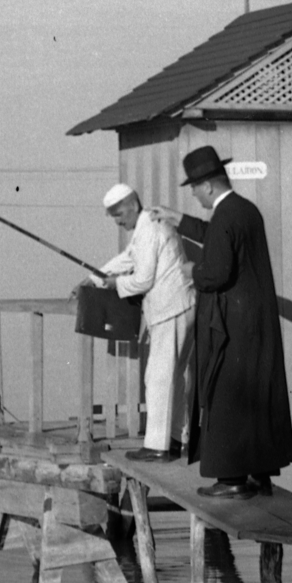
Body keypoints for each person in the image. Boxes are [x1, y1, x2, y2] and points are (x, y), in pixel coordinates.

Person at [169, 146, 292, 499]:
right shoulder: (243, 210)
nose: (193, 194)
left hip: (232, 327)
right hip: (254, 324)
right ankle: (258, 474)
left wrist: (194, 271)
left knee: (228, 396)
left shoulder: (226, 217)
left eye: (194, 188)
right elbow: (218, 236)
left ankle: (231, 480)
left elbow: (219, 272)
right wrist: (178, 220)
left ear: (208, 186)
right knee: (256, 397)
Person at [95, 182, 195, 462]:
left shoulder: (149, 228)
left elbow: (142, 279)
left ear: (131, 206)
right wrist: (95, 278)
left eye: (118, 215)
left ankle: (157, 447)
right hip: (178, 307)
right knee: (172, 376)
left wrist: (115, 283)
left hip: (171, 309)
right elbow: (128, 258)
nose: (117, 221)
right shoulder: (146, 226)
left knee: (159, 378)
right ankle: (174, 440)